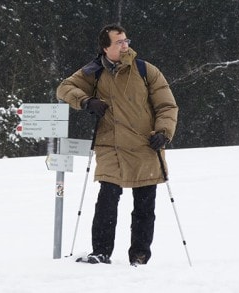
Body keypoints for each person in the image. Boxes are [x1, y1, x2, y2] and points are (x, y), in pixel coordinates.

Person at [56, 24, 178, 266]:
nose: (125, 45)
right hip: (110, 145)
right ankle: (100, 252)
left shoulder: (146, 70)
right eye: (119, 42)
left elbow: (167, 106)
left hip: (145, 145)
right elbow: (63, 88)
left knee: (144, 204)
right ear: (105, 47)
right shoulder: (94, 71)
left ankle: (140, 256)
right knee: (107, 199)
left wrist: (164, 133)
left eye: (126, 40)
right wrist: (87, 101)